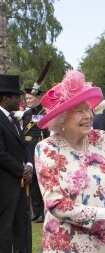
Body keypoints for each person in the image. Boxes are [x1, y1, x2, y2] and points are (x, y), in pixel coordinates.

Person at [35, 70, 105, 252]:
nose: (88, 115)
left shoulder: (101, 139)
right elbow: (56, 203)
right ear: (62, 118)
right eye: (79, 111)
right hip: (66, 244)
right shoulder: (47, 148)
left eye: (88, 108)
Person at [0, 74, 33, 252]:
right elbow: (1, 154)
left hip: (20, 182)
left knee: (23, 225)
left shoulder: (13, 119)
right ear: (5, 98)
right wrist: (22, 169)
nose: (19, 100)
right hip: (5, 185)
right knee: (5, 229)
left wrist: (29, 165)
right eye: (15, 97)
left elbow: (24, 144)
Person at [22, 86, 50, 223]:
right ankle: (37, 211)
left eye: (30, 98)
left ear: (38, 98)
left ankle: (45, 212)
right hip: (27, 149)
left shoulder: (45, 112)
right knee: (32, 182)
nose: (28, 100)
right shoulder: (26, 114)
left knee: (42, 182)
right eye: (26, 98)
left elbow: (48, 133)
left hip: (40, 149)